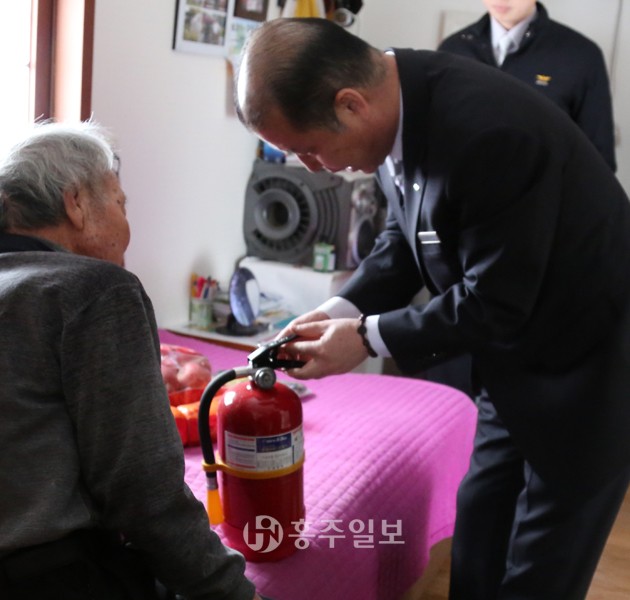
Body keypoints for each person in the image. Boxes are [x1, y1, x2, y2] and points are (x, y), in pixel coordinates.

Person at [234, 17, 630, 600]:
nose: (312, 167)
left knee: (542, 567)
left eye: (308, 149)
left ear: (349, 104)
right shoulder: (399, 101)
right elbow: (406, 236)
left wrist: (365, 337)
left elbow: (494, 301)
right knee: (478, 533)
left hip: (588, 367)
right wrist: (341, 308)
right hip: (510, 358)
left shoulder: (491, 132)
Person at [0, 122, 265, 600]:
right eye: (120, 203)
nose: (127, 228)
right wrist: (232, 593)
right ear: (76, 203)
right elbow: (146, 494)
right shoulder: (93, 290)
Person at [438, 1, 617, 172]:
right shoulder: (453, 49)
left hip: (547, 190)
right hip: (464, 188)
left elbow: (600, 160)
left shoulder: (581, 55)